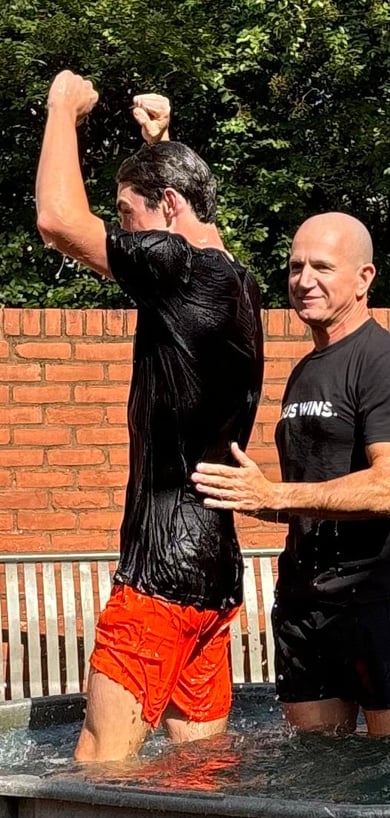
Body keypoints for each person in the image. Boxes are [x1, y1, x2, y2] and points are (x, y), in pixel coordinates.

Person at [35, 71, 264, 761]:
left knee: (99, 766)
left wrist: (62, 111)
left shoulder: (181, 268)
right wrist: (159, 143)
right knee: (198, 772)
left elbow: (57, 224)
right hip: (214, 573)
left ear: (166, 206)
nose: (125, 231)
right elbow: (179, 211)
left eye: (127, 213)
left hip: (160, 574)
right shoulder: (237, 280)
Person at [192, 211, 390, 739]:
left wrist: (276, 492)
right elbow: (313, 493)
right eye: (295, 266)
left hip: (374, 598)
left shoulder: (385, 363)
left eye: (322, 267)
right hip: (305, 600)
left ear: (364, 279)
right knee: (316, 769)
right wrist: (258, 498)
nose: (304, 280)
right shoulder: (305, 370)